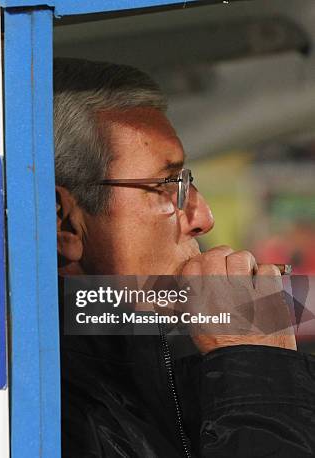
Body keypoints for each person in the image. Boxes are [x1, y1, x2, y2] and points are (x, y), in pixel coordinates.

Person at [54, 58, 315, 457]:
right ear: (65, 222)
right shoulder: (42, 411)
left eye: (187, 183)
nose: (203, 218)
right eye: (166, 187)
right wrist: (254, 363)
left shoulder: (158, 362)